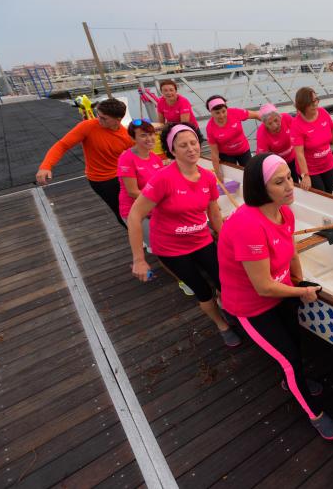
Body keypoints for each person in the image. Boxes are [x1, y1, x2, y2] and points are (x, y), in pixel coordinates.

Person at [218, 153, 333, 439]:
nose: (290, 185)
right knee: (288, 360)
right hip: (252, 306)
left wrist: (298, 279)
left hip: (280, 292)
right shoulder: (248, 225)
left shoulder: (284, 212)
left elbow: (290, 251)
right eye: (280, 182)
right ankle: (315, 414)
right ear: (261, 189)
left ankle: (295, 381)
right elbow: (262, 286)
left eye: (289, 177)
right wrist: (302, 291)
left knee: (294, 347)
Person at [128, 123, 241, 348]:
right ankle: (221, 325)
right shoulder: (163, 179)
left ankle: (227, 306)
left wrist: (228, 241)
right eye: (183, 145)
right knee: (202, 290)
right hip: (172, 249)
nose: (191, 149)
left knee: (225, 282)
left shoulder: (208, 177)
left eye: (193, 143)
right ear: (173, 150)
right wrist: (139, 259)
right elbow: (135, 215)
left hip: (202, 240)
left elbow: (214, 213)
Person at [36, 97, 133, 227]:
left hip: (121, 176)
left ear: (118, 119)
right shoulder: (87, 126)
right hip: (101, 180)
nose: (99, 119)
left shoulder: (126, 136)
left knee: (135, 207)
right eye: (99, 115)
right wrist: (46, 166)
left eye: (104, 118)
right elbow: (62, 145)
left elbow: (139, 155)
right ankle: (137, 239)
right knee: (121, 211)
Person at [117, 119, 164, 248]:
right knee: (157, 245)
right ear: (133, 138)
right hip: (135, 212)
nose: (149, 138)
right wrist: (161, 201)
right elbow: (132, 192)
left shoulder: (155, 157)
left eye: (151, 134)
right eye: (143, 135)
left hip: (154, 208)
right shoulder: (126, 159)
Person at [291, 87, 333, 193]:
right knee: (321, 195)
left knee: (329, 192)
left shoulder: (323, 112)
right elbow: (299, 153)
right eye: (311, 102)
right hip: (311, 170)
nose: (315, 104)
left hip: (328, 164)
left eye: (316, 100)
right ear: (303, 105)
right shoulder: (296, 125)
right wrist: (305, 175)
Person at [205, 95, 263, 179]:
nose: (221, 115)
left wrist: (269, 124)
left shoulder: (235, 112)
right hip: (226, 154)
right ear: (211, 112)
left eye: (223, 111)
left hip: (243, 150)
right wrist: (217, 173)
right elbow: (214, 153)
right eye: (217, 113)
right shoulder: (210, 128)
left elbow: (256, 115)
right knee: (233, 176)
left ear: (227, 109)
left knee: (250, 173)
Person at [255, 103, 299, 183]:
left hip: (292, 157)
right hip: (277, 163)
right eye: (270, 123)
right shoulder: (261, 133)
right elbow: (264, 158)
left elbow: (299, 132)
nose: (275, 125)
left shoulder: (286, 118)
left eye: (276, 120)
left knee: (295, 181)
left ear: (280, 117)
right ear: (265, 125)